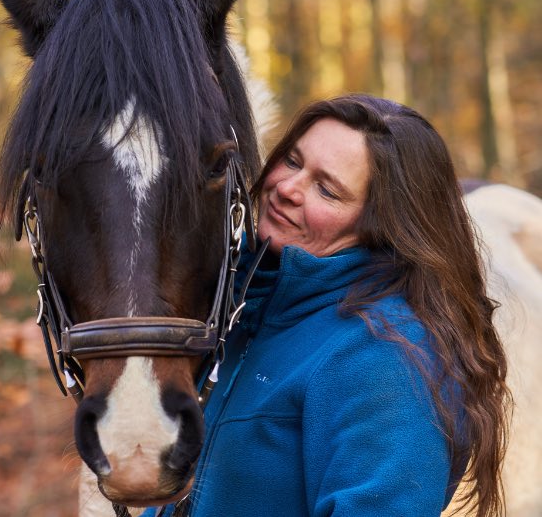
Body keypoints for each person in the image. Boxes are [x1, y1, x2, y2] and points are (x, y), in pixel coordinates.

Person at [145, 94, 510, 517]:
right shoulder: (241, 307)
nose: (286, 189)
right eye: (293, 161)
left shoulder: (383, 355)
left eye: (327, 189)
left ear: (381, 224)